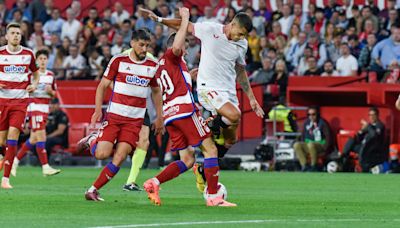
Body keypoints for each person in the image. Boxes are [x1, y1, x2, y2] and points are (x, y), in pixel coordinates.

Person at [139, 7, 264, 156]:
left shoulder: (242, 44)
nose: (241, 37)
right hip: (208, 88)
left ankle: (205, 168)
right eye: (240, 33)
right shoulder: (210, 29)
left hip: (229, 92)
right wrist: (159, 19)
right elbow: (184, 25)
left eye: (244, 35)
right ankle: (208, 125)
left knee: (231, 140)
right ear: (233, 24)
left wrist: (251, 98)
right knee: (235, 115)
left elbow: (241, 71)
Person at [143, 8, 236, 207]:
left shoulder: (163, 65)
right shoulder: (173, 56)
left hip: (170, 116)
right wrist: (185, 19)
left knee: (187, 160)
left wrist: (189, 77)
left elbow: (169, 85)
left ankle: (154, 182)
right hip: (184, 112)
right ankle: (213, 196)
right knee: (210, 149)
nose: (185, 50)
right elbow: (176, 49)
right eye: (184, 45)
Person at [77, 29, 164, 201]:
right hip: (114, 117)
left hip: (134, 121)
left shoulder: (152, 65)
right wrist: (97, 110)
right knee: (102, 154)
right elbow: (102, 86)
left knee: (120, 156)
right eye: (141, 45)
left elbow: (156, 91)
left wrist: (159, 116)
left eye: (147, 45)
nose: (144, 49)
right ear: (132, 43)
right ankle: (92, 139)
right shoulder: (118, 60)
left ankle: (92, 190)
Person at [0, 23, 39, 189]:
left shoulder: (28, 54)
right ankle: (3, 157)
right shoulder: (0, 53)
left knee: (13, 136)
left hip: (20, 102)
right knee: (2, 141)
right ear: (7, 36)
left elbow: (36, 74)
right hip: (2, 101)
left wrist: (34, 85)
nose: (16, 35)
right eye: (13, 33)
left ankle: (6, 179)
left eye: (18, 33)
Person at [11, 49, 60, 177]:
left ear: (47, 60)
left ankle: (14, 162)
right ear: (36, 61)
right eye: (40, 59)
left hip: (45, 108)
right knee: (41, 136)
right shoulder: (32, 75)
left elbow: (55, 94)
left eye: (45, 59)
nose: (43, 61)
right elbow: (24, 89)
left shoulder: (51, 75)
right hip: (34, 107)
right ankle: (45, 166)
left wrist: (51, 92)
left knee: (33, 139)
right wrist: (30, 90)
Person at [339, 107, 386, 172]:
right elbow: (359, 137)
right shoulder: (369, 126)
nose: (371, 117)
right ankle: (342, 160)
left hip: (373, 149)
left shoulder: (380, 125)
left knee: (363, 147)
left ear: (377, 115)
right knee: (351, 140)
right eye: (370, 115)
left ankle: (362, 167)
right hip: (364, 147)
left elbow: (374, 135)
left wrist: (368, 126)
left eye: (373, 115)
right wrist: (361, 131)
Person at [293, 106, 331, 171]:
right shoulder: (306, 123)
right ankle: (304, 165)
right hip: (309, 144)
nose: (311, 116)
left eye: (313, 114)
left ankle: (313, 166)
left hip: (320, 145)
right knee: (296, 145)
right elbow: (303, 135)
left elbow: (328, 137)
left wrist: (325, 148)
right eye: (309, 115)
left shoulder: (323, 123)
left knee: (311, 144)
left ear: (317, 114)